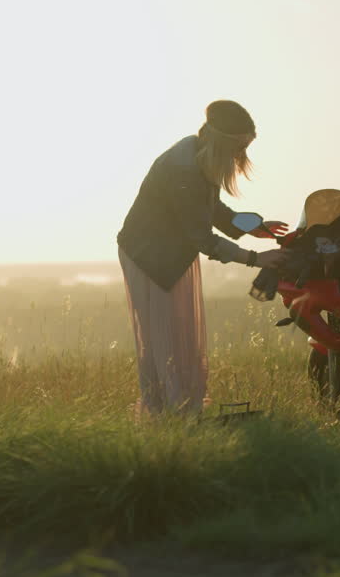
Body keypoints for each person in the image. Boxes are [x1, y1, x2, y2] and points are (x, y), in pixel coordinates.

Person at [117, 100, 288, 415]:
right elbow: (203, 239)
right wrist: (256, 259)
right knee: (165, 336)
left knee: (179, 331)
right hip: (149, 256)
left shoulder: (198, 158)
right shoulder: (184, 169)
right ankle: (169, 412)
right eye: (239, 148)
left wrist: (256, 225)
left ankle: (181, 408)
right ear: (224, 142)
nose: (241, 156)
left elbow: (214, 211)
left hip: (173, 251)